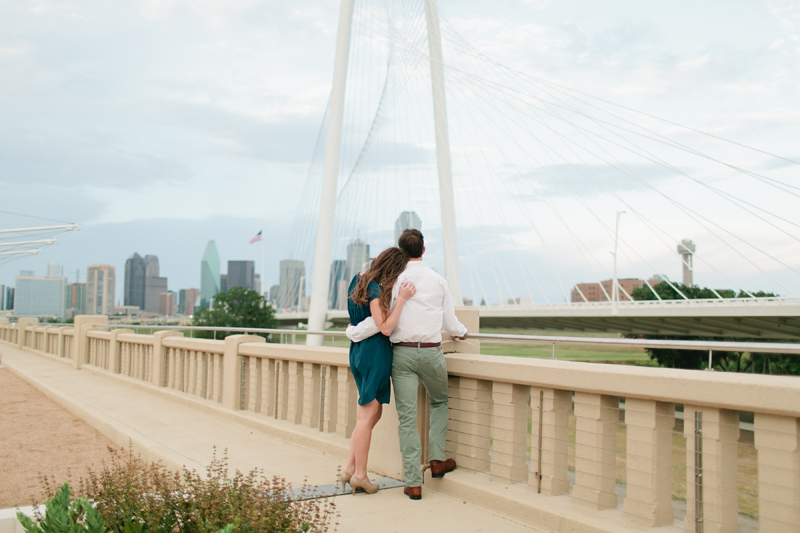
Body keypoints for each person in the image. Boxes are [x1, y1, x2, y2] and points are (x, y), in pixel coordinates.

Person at [346, 229, 467, 500]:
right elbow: (450, 323)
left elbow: (379, 321)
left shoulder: (390, 281)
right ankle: (436, 460)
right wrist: (461, 331)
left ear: (400, 249)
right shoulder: (438, 280)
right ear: (423, 249)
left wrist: (352, 331)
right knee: (439, 402)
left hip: (401, 355)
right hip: (432, 352)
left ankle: (413, 482)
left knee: (407, 419)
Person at [341, 247, 417, 495]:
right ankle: (361, 475)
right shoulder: (375, 287)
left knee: (371, 415)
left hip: (359, 351)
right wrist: (402, 299)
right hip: (374, 352)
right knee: (367, 415)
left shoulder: (358, 280)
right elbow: (384, 326)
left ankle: (350, 469)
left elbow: (357, 320)